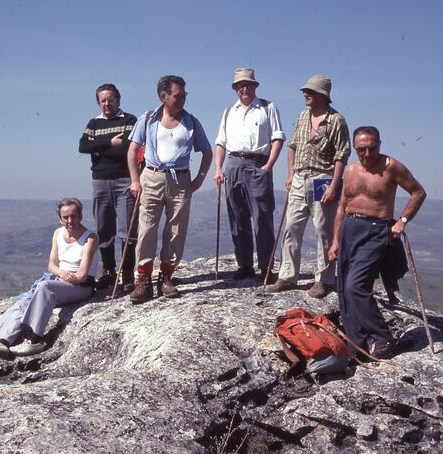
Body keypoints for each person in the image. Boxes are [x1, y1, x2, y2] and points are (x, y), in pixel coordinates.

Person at [328, 126, 426, 358]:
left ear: (379, 144)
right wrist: (335, 240)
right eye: (361, 149)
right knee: (343, 288)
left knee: (356, 286)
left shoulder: (392, 167)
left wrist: (401, 221)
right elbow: (342, 208)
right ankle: (356, 342)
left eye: (372, 148)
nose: (367, 154)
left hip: (376, 230)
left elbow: (418, 193)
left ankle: (383, 338)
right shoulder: (350, 171)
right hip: (350, 228)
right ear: (355, 148)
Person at [0, 198, 98, 358]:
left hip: (80, 288)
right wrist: (60, 274)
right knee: (24, 303)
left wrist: (64, 278)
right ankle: (1, 342)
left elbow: (82, 275)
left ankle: (35, 340)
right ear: (60, 219)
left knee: (45, 287)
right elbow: (51, 265)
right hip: (59, 282)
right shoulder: (58, 233)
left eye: (73, 216)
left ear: (80, 216)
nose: (69, 220)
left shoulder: (89, 238)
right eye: (65, 217)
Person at [126, 75, 213, 304]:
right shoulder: (148, 119)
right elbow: (133, 150)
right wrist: (135, 181)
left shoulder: (191, 122)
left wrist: (199, 179)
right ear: (163, 96)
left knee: (176, 229)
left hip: (180, 179)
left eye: (184, 95)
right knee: (147, 228)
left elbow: (207, 151)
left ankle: (166, 276)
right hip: (151, 176)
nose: (182, 99)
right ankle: (143, 279)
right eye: (177, 95)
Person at [266, 74, 350, 298]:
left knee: (323, 230)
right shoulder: (303, 116)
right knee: (291, 227)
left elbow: (342, 155)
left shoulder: (336, 120)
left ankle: (324, 279)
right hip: (300, 178)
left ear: (322, 94)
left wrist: (334, 185)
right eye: (305, 91)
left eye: (310, 91)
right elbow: (292, 145)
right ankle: (287, 277)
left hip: (324, 179)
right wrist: (291, 173)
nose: (305, 94)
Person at [213, 68, 285, 282]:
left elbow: (278, 138)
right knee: (237, 216)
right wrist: (218, 168)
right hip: (233, 164)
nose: (244, 88)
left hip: (258, 163)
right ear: (235, 88)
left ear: (254, 85)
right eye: (240, 85)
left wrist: (268, 165)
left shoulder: (267, 108)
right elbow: (220, 142)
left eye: (248, 84)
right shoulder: (229, 111)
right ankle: (244, 265)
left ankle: (266, 266)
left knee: (262, 216)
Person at [78, 83, 138, 291]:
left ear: (118, 100)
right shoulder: (93, 123)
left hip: (124, 180)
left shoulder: (129, 120)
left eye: (111, 99)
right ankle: (109, 271)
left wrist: (98, 148)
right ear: (98, 102)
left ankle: (127, 273)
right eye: (102, 100)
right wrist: (110, 143)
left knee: (127, 229)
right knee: (104, 227)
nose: (107, 104)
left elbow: (127, 148)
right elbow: (83, 146)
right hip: (100, 181)